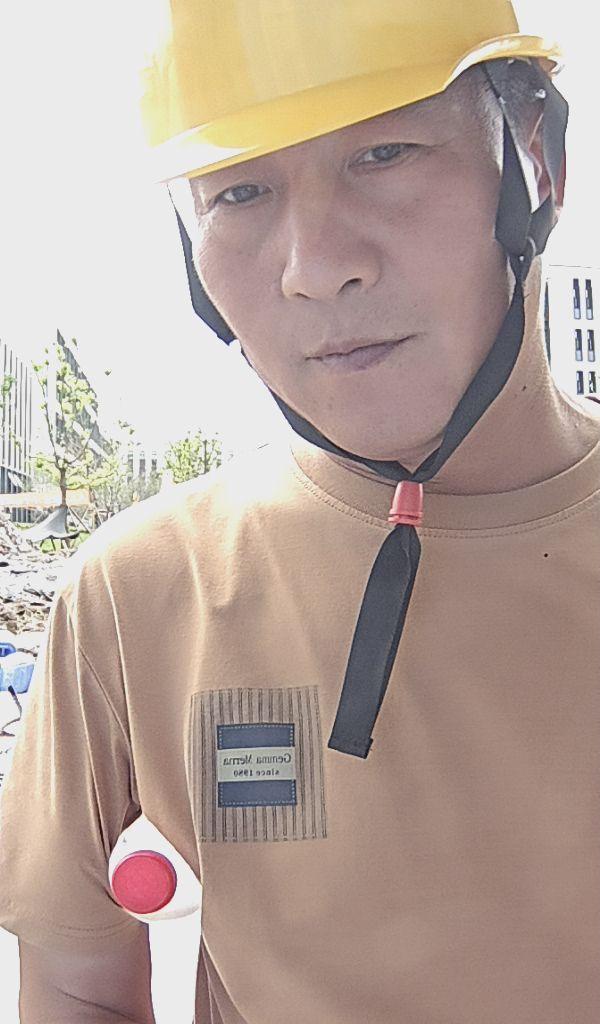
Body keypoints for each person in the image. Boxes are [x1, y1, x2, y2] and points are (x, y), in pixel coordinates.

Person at [1, 1, 600, 1021]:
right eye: (239, 191)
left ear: (533, 159)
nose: (315, 267)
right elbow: (74, 987)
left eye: (386, 153)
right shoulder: (140, 595)